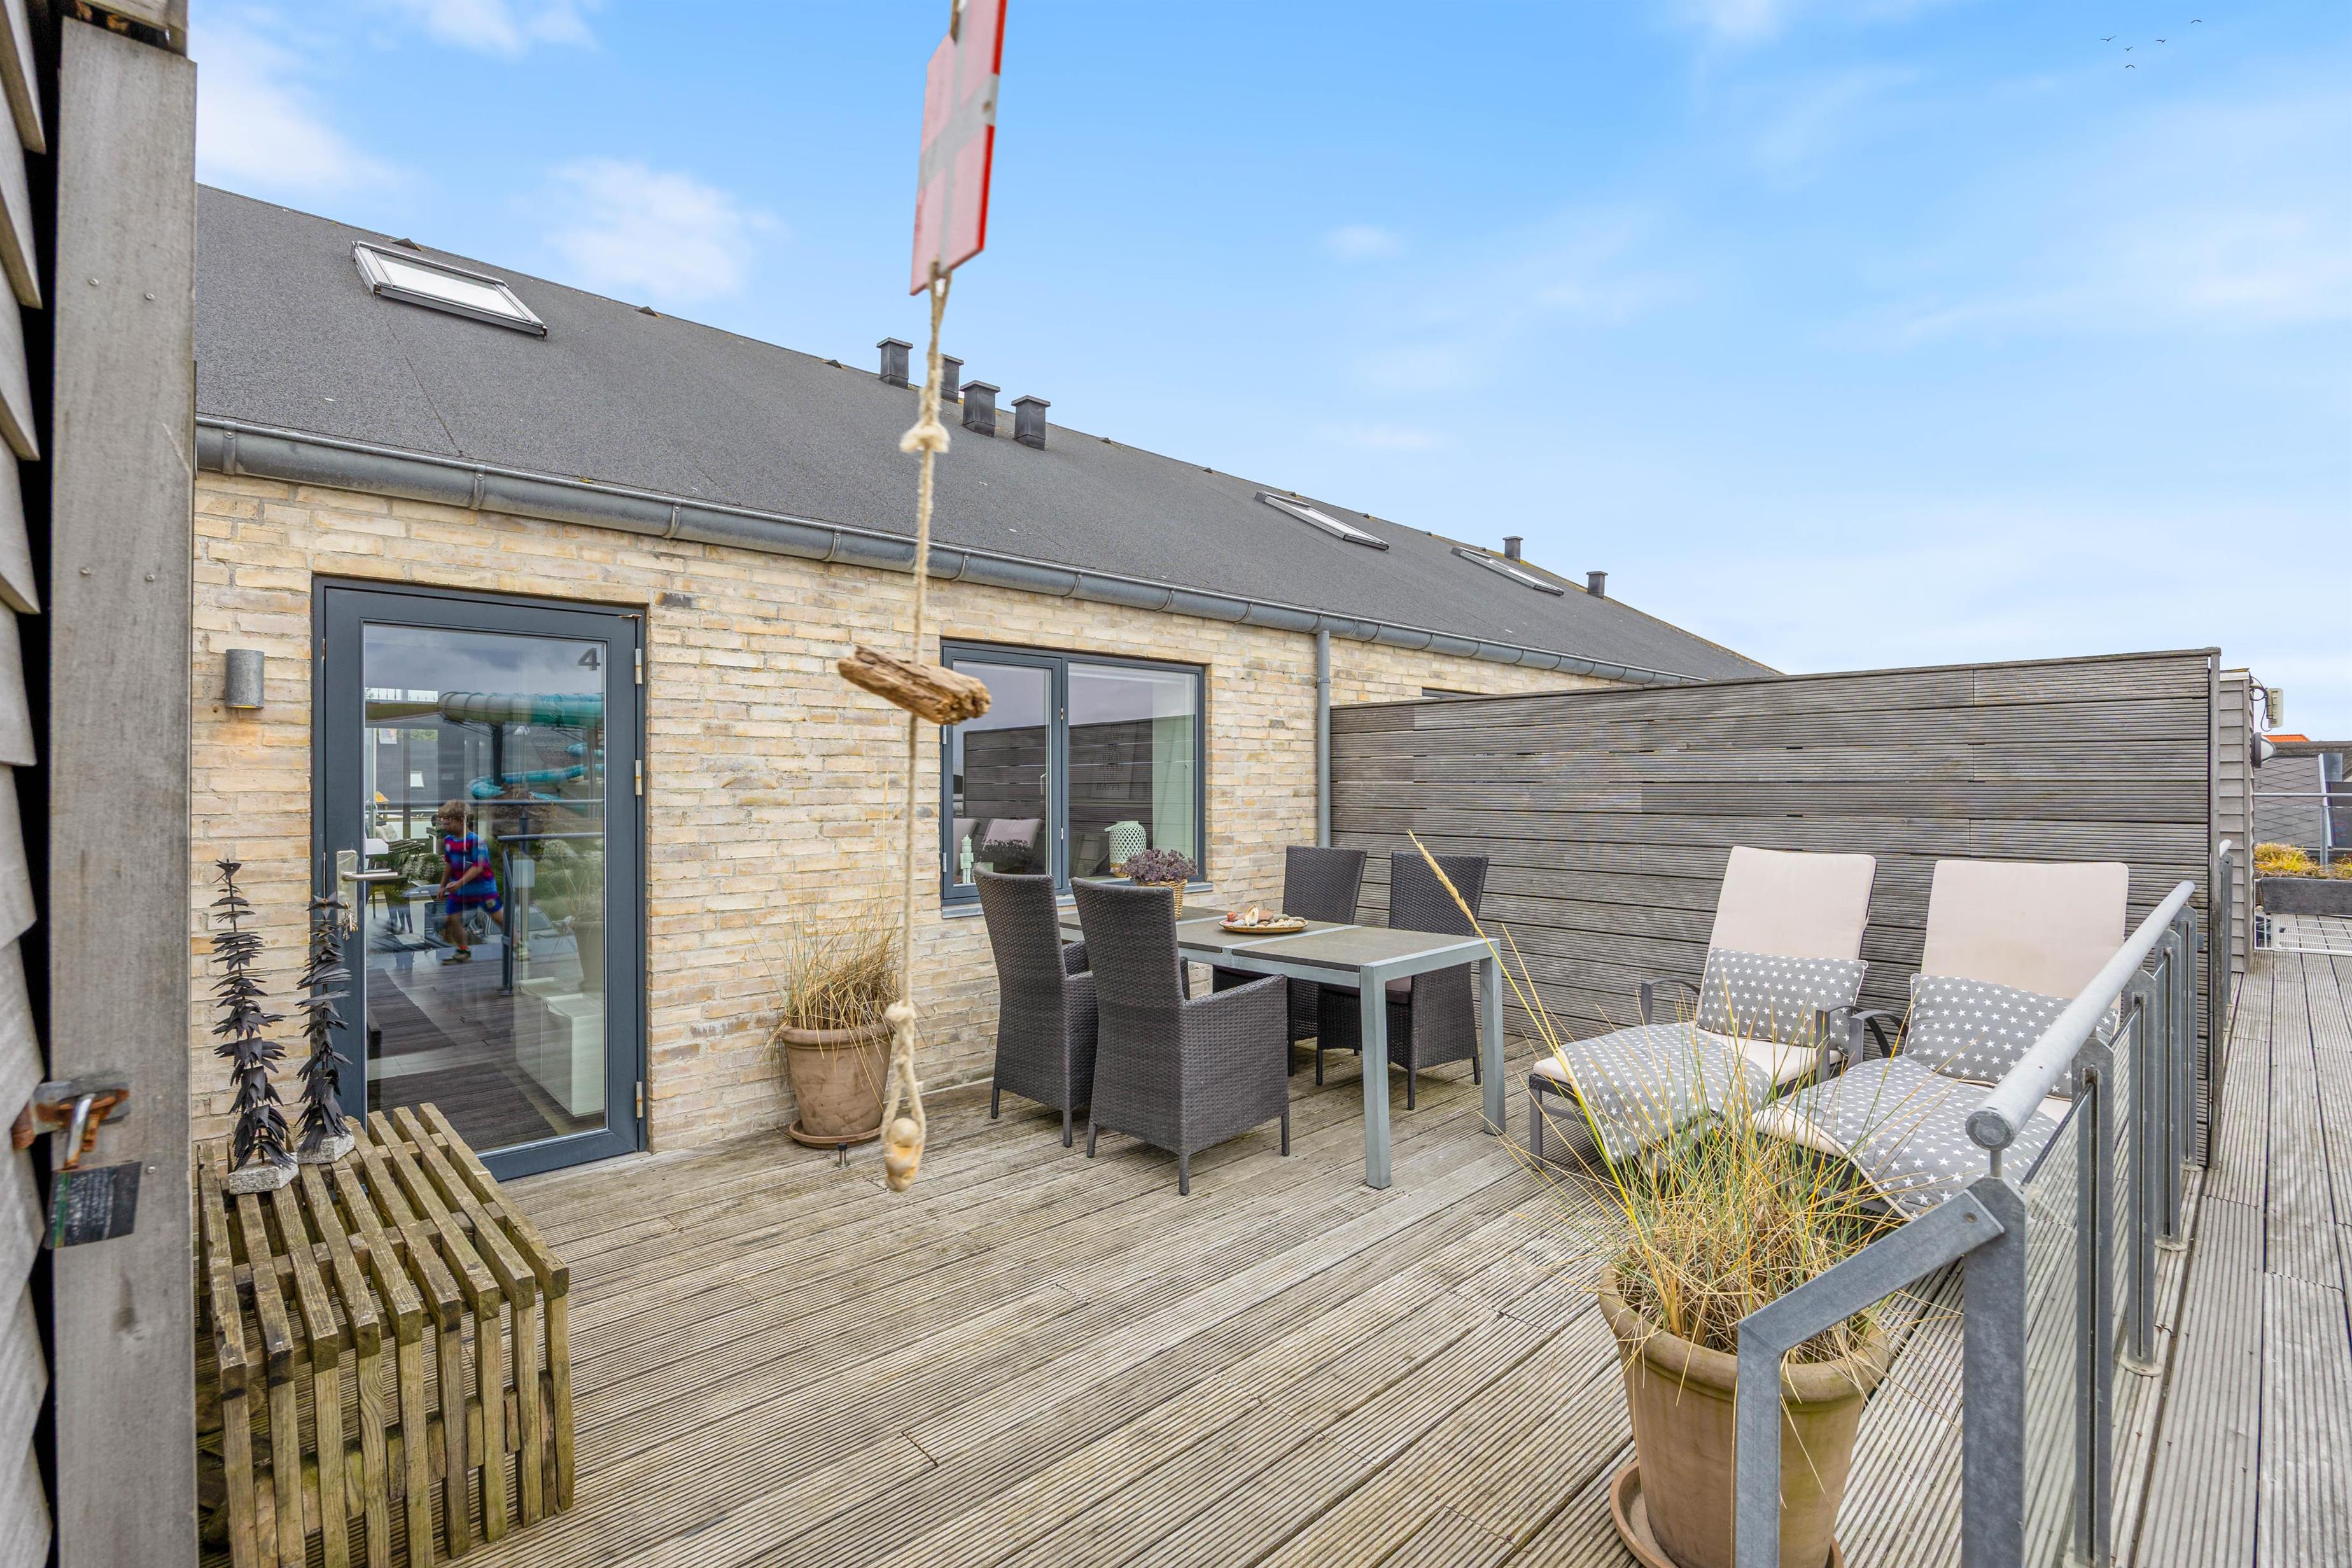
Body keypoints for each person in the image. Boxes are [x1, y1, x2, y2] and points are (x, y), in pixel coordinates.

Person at [433, 801, 501, 962]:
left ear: (460, 820)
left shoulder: (476, 841)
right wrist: (442, 886)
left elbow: (479, 867)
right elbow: (449, 864)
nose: (445, 826)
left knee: (498, 918)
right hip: (460, 889)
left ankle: (518, 944)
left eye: (448, 823)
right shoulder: (449, 841)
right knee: (451, 918)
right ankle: (463, 950)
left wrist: (458, 883)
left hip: (483, 889)